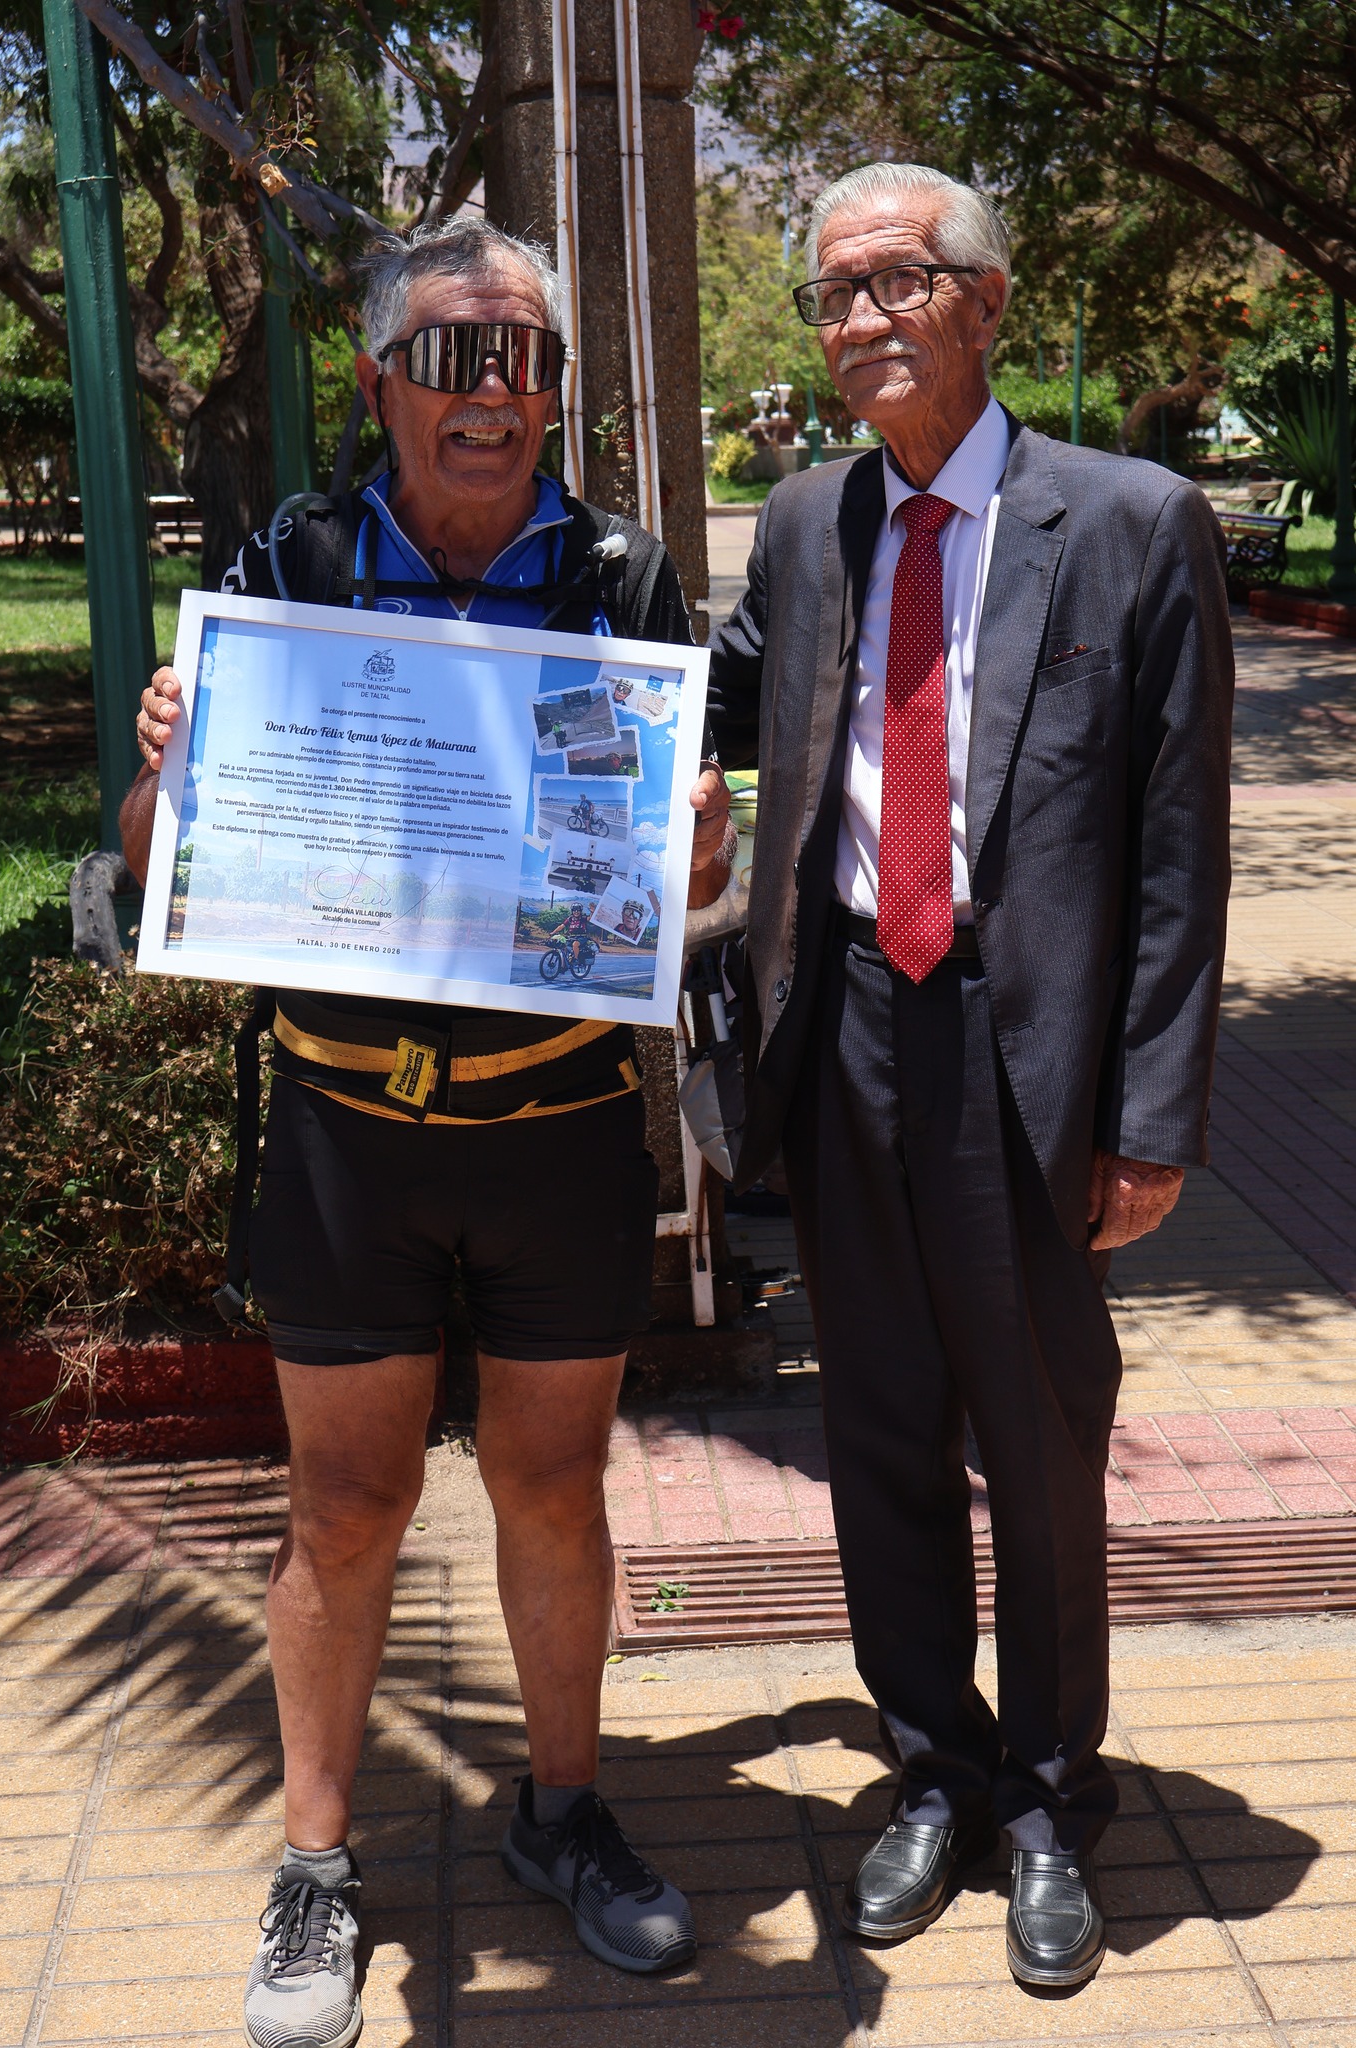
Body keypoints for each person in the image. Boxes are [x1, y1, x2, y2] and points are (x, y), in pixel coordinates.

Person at [122, 215, 698, 2048]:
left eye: (526, 359)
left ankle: (562, 1810)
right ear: (378, 380)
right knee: (346, 1508)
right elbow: (162, 863)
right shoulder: (292, 555)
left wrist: (686, 842)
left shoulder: (619, 572)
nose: (495, 394)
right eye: (455, 358)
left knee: (553, 1490)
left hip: (557, 1127)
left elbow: (684, 876)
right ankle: (314, 1863)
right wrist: (167, 762)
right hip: (347, 1129)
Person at [688, 161, 1232, 1989]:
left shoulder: (1136, 523)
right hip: (840, 1027)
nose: (855, 323)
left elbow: (1176, 849)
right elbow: (695, 704)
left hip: (1030, 1051)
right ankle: (929, 1763)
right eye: (830, 294)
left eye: (893, 284)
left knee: (1038, 1431)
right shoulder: (800, 524)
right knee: (879, 1428)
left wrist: (1151, 1119)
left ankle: (1051, 1795)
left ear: (984, 304)